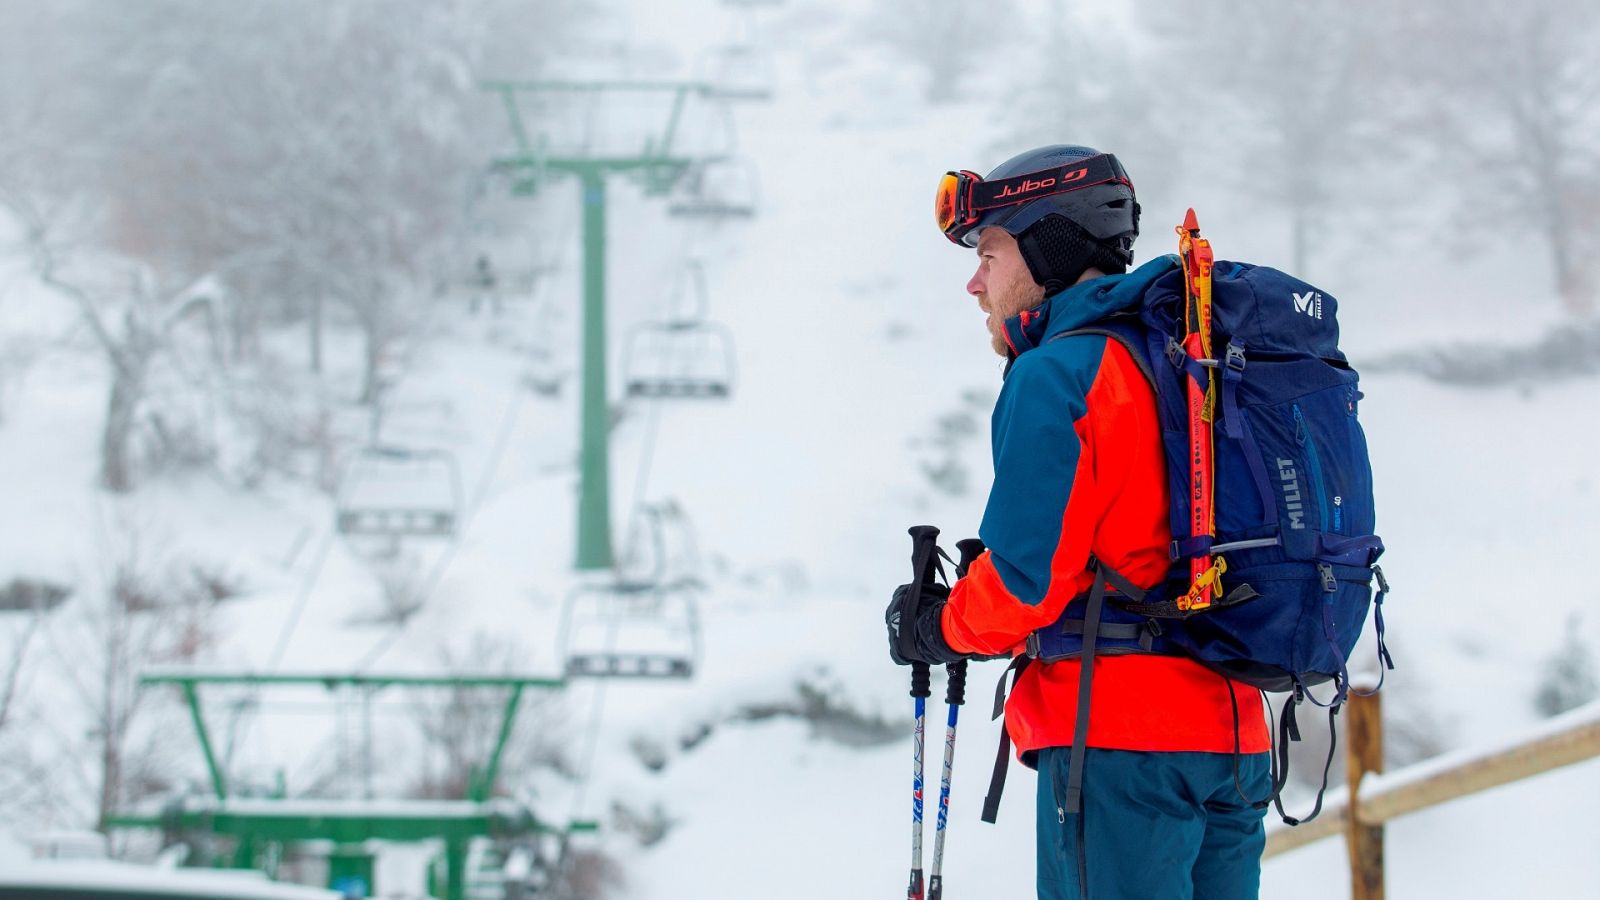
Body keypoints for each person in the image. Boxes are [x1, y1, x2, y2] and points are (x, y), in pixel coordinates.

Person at [886, 145, 1273, 899]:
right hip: (1234, 735)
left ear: (1048, 247)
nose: (975, 282)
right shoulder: (1189, 360)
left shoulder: (1059, 373)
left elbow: (1027, 586)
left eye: (989, 254)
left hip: (1122, 746)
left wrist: (936, 627)